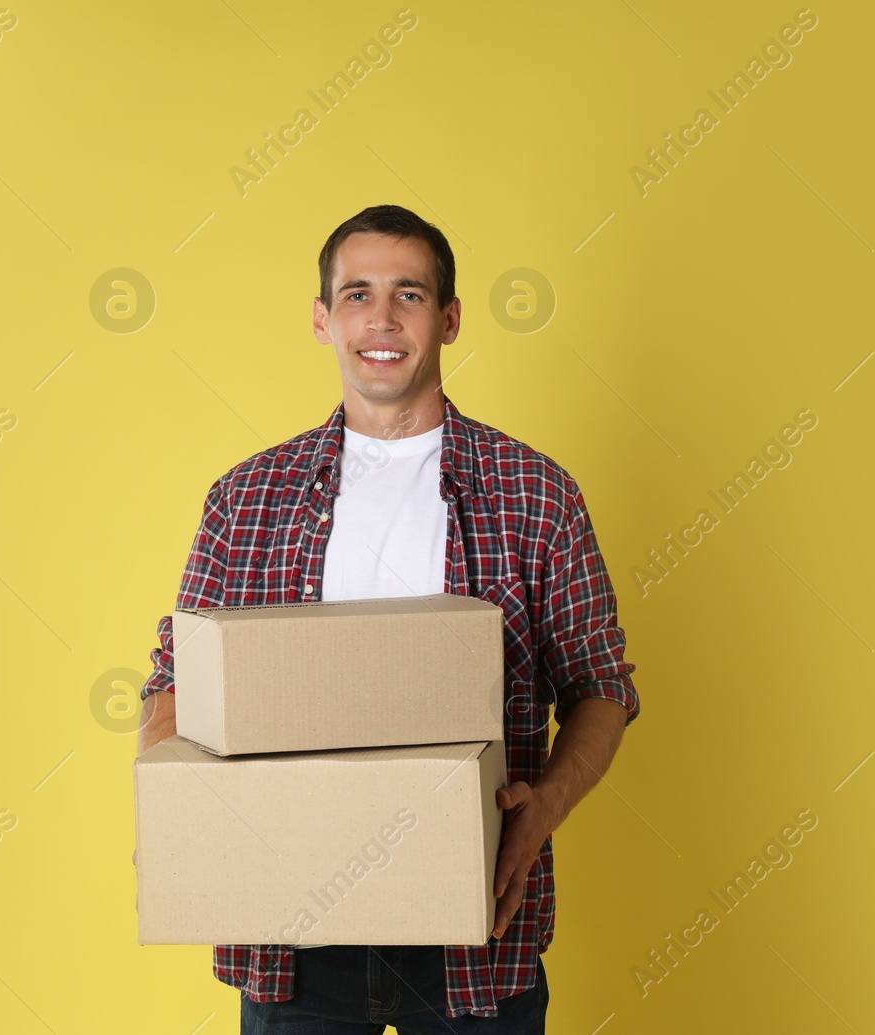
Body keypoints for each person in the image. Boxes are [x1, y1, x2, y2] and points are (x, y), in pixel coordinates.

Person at [137, 204, 640, 1033]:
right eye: (358, 293)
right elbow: (174, 686)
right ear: (322, 317)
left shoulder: (535, 492)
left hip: (474, 940)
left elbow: (601, 688)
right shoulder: (248, 496)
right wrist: (175, 813)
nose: (381, 318)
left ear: (446, 318)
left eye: (408, 294)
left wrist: (542, 810)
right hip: (292, 945)